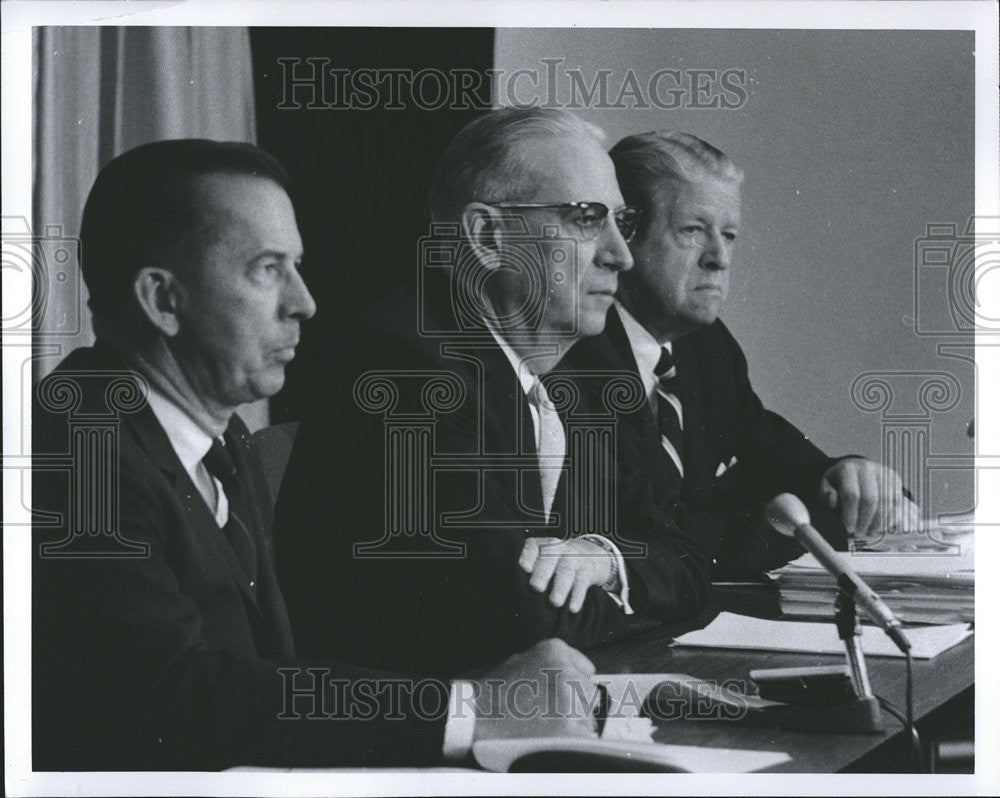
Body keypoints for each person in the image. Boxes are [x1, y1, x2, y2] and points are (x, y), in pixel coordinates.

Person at [31, 139, 599, 771]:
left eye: (296, 267)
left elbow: (270, 672)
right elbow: (179, 696)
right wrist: (474, 708)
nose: (305, 302)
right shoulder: (77, 453)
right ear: (163, 300)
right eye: (267, 268)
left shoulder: (224, 440)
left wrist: (478, 694)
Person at [273, 108, 710, 677]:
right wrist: (632, 583)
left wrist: (601, 559)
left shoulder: (569, 376)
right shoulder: (408, 369)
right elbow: (523, 622)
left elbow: (686, 555)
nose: (620, 255)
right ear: (487, 236)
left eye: (620, 222)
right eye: (584, 219)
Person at [564, 131, 917, 579]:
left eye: (728, 235)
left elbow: (772, 455)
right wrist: (820, 522)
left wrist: (848, 478)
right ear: (626, 233)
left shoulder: (706, 348)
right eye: (693, 231)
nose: (719, 258)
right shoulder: (575, 354)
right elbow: (659, 534)